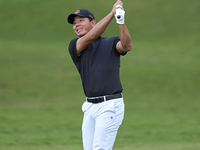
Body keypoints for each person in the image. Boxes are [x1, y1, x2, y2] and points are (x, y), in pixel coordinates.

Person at [67, 0, 132, 149]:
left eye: (81, 20)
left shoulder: (111, 43)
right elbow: (90, 37)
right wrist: (111, 14)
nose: (76, 25)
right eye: (74, 23)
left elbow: (126, 46)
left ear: (93, 22)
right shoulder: (75, 46)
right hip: (89, 107)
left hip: (110, 104)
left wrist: (120, 20)